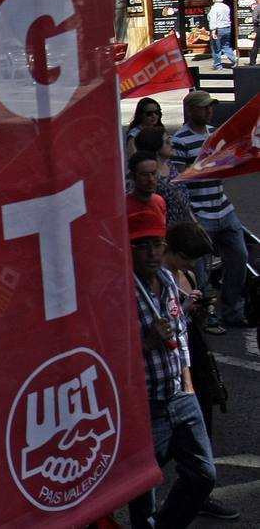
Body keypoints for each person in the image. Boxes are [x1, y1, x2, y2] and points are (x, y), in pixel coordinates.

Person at [126, 207, 218, 528]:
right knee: (143, 494)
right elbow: (106, 358)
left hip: (181, 395)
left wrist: (189, 386)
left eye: (156, 244)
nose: (152, 252)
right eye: (142, 245)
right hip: (146, 407)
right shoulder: (118, 292)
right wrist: (146, 343)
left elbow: (179, 338)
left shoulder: (167, 280)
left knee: (203, 475)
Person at [163, 221, 239, 521]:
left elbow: (192, 327)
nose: (191, 265)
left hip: (195, 361)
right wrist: (185, 308)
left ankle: (199, 494)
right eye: (187, 258)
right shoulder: (159, 280)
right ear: (173, 251)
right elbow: (163, 323)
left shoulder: (189, 275)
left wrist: (202, 311)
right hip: (171, 368)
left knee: (201, 429)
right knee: (166, 441)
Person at [171, 90, 250, 329]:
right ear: (191, 110)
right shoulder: (180, 141)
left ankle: (233, 310)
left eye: (210, 107)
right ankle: (207, 315)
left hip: (223, 208)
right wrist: (190, 216)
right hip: (200, 211)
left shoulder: (216, 135)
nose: (209, 111)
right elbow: (179, 180)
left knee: (240, 256)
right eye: (204, 107)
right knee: (201, 269)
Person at [131, 128, 195, 228]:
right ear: (156, 147)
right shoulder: (151, 177)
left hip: (185, 226)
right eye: (166, 142)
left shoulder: (170, 164)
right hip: (166, 230)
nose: (172, 144)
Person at [207, 0, 239, 70]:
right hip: (227, 28)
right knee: (226, 45)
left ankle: (217, 65)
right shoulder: (226, 7)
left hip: (218, 29)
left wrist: (213, 31)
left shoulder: (214, 8)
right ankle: (234, 59)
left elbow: (213, 20)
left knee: (216, 48)